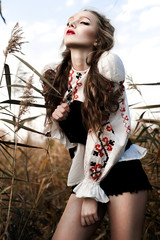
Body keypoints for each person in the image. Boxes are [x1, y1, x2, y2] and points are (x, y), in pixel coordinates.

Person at [42, 9, 152, 240]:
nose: (72, 25)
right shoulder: (57, 75)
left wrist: (91, 193)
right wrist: (56, 117)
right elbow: (75, 139)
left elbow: (106, 133)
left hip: (121, 170)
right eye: (69, 21)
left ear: (98, 39)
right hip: (87, 174)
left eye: (83, 22)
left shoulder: (107, 65)